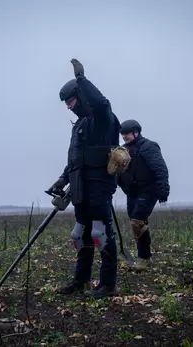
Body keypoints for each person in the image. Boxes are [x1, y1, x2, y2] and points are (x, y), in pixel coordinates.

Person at [47, 58, 122, 299]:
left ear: (81, 96)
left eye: (71, 101)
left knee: (99, 234)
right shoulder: (78, 126)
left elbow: (102, 103)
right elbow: (75, 160)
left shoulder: (103, 120)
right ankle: (80, 281)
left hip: (99, 186)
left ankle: (108, 284)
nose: (68, 106)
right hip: (80, 188)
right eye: (66, 103)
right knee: (80, 235)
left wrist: (82, 79)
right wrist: (62, 180)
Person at [117, 119, 170, 270]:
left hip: (149, 190)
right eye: (122, 134)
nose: (124, 136)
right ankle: (145, 258)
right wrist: (120, 184)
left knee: (137, 221)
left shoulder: (148, 146)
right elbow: (118, 171)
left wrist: (164, 188)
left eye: (127, 133)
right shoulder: (122, 151)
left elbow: (160, 168)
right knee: (137, 224)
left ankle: (144, 259)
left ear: (136, 132)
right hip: (132, 192)